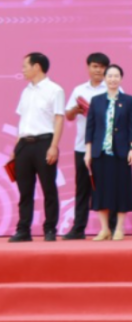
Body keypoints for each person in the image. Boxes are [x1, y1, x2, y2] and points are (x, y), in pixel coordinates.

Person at [9, 52, 64, 243]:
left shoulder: (55, 90)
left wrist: (54, 146)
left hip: (44, 143)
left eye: (25, 66)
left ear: (37, 66)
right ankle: (23, 230)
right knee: (25, 190)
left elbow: (59, 119)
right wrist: (16, 147)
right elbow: (23, 120)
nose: (22, 70)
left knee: (49, 189)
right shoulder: (26, 91)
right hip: (24, 145)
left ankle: (50, 229)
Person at [84, 65, 132, 241]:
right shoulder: (96, 100)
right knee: (100, 191)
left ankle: (119, 229)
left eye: (116, 76)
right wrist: (88, 152)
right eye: (110, 76)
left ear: (121, 78)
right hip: (100, 153)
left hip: (121, 153)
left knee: (121, 189)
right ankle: (105, 229)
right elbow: (90, 128)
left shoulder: (128, 100)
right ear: (105, 78)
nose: (113, 79)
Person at [62, 52, 111, 240]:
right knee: (82, 189)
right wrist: (76, 110)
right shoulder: (79, 90)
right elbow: (68, 115)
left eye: (102, 67)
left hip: (106, 147)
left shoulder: (113, 88)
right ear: (88, 67)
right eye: (95, 66)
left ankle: (111, 227)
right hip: (82, 146)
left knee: (107, 188)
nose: (98, 70)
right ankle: (78, 228)